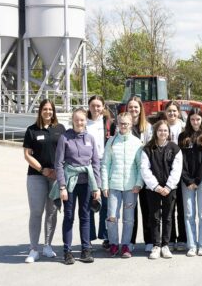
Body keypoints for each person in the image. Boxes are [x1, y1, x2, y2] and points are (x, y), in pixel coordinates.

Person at [55, 108, 102, 265]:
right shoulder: (65, 138)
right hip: (70, 183)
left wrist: (97, 187)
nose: (79, 122)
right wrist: (62, 186)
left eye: (82, 120)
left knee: (86, 216)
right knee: (69, 216)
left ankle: (86, 249)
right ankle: (67, 251)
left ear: (85, 120)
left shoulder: (90, 138)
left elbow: (95, 163)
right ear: (72, 120)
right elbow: (59, 164)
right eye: (77, 120)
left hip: (87, 183)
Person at [23, 99, 66, 263]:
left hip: (55, 176)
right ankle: (33, 248)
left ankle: (47, 245)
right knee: (36, 212)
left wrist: (58, 171)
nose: (48, 112)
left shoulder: (60, 129)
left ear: (54, 112)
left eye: (51, 109)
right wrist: (42, 169)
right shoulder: (32, 130)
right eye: (45, 109)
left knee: (52, 211)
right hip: (36, 176)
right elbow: (27, 155)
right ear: (40, 111)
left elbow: (65, 151)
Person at [101, 112, 144, 258]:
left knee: (129, 218)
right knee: (112, 216)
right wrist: (104, 185)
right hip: (114, 186)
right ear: (117, 124)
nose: (123, 126)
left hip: (131, 187)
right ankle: (114, 244)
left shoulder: (137, 142)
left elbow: (140, 166)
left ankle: (126, 245)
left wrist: (138, 183)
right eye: (121, 123)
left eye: (126, 123)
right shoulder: (111, 141)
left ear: (131, 124)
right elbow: (105, 164)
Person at [140, 120, 183, 260]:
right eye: (160, 130)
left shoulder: (175, 148)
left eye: (165, 130)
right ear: (155, 132)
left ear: (169, 133)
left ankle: (165, 245)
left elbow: (177, 170)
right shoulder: (147, 149)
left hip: (170, 188)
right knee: (154, 217)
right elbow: (144, 169)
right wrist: (156, 187)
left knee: (168, 217)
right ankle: (156, 245)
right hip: (153, 189)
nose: (163, 133)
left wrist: (169, 186)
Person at [178, 109, 202, 257]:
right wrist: (187, 180)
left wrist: (197, 180)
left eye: (198, 119)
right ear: (189, 120)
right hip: (186, 181)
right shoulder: (183, 136)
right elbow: (181, 161)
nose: (195, 122)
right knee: (189, 214)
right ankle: (192, 245)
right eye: (192, 119)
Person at [87, 95, 116, 250]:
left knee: (105, 201)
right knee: (89, 202)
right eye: (93, 105)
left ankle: (105, 236)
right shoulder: (84, 122)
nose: (96, 109)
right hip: (88, 165)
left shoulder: (109, 123)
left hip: (105, 165)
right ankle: (88, 237)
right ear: (89, 106)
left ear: (103, 106)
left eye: (99, 106)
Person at [126, 96, 154, 253]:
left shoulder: (148, 127)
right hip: (129, 173)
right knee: (131, 209)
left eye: (136, 107)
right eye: (131, 107)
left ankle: (149, 240)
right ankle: (130, 240)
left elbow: (150, 150)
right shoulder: (122, 126)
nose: (133, 110)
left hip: (144, 172)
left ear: (140, 109)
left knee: (147, 208)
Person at [165, 100, 187, 252]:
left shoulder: (184, 128)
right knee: (169, 208)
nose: (172, 113)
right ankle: (170, 238)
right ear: (165, 112)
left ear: (178, 112)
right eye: (169, 111)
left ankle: (183, 238)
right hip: (166, 171)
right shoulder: (161, 127)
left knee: (182, 207)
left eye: (174, 111)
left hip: (182, 171)